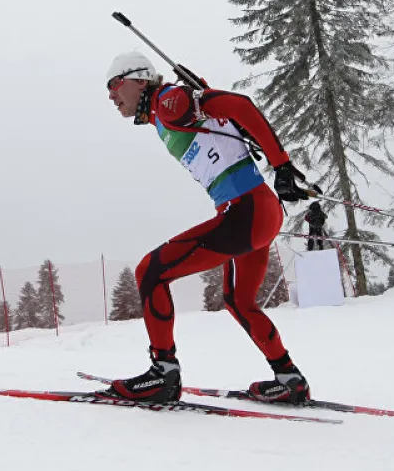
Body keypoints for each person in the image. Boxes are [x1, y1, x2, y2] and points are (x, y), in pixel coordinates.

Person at [97, 51, 314, 405]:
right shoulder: (162, 113)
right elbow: (220, 123)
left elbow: (241, 106)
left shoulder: (168, 101)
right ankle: (290, 379)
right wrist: (202, 93)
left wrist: (283, 166)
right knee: (239, 301)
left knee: (150, 272)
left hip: (243, 211)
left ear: (139, 80)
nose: (110, 96)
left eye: (114, 86)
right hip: (259, 212)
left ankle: (163, 374)